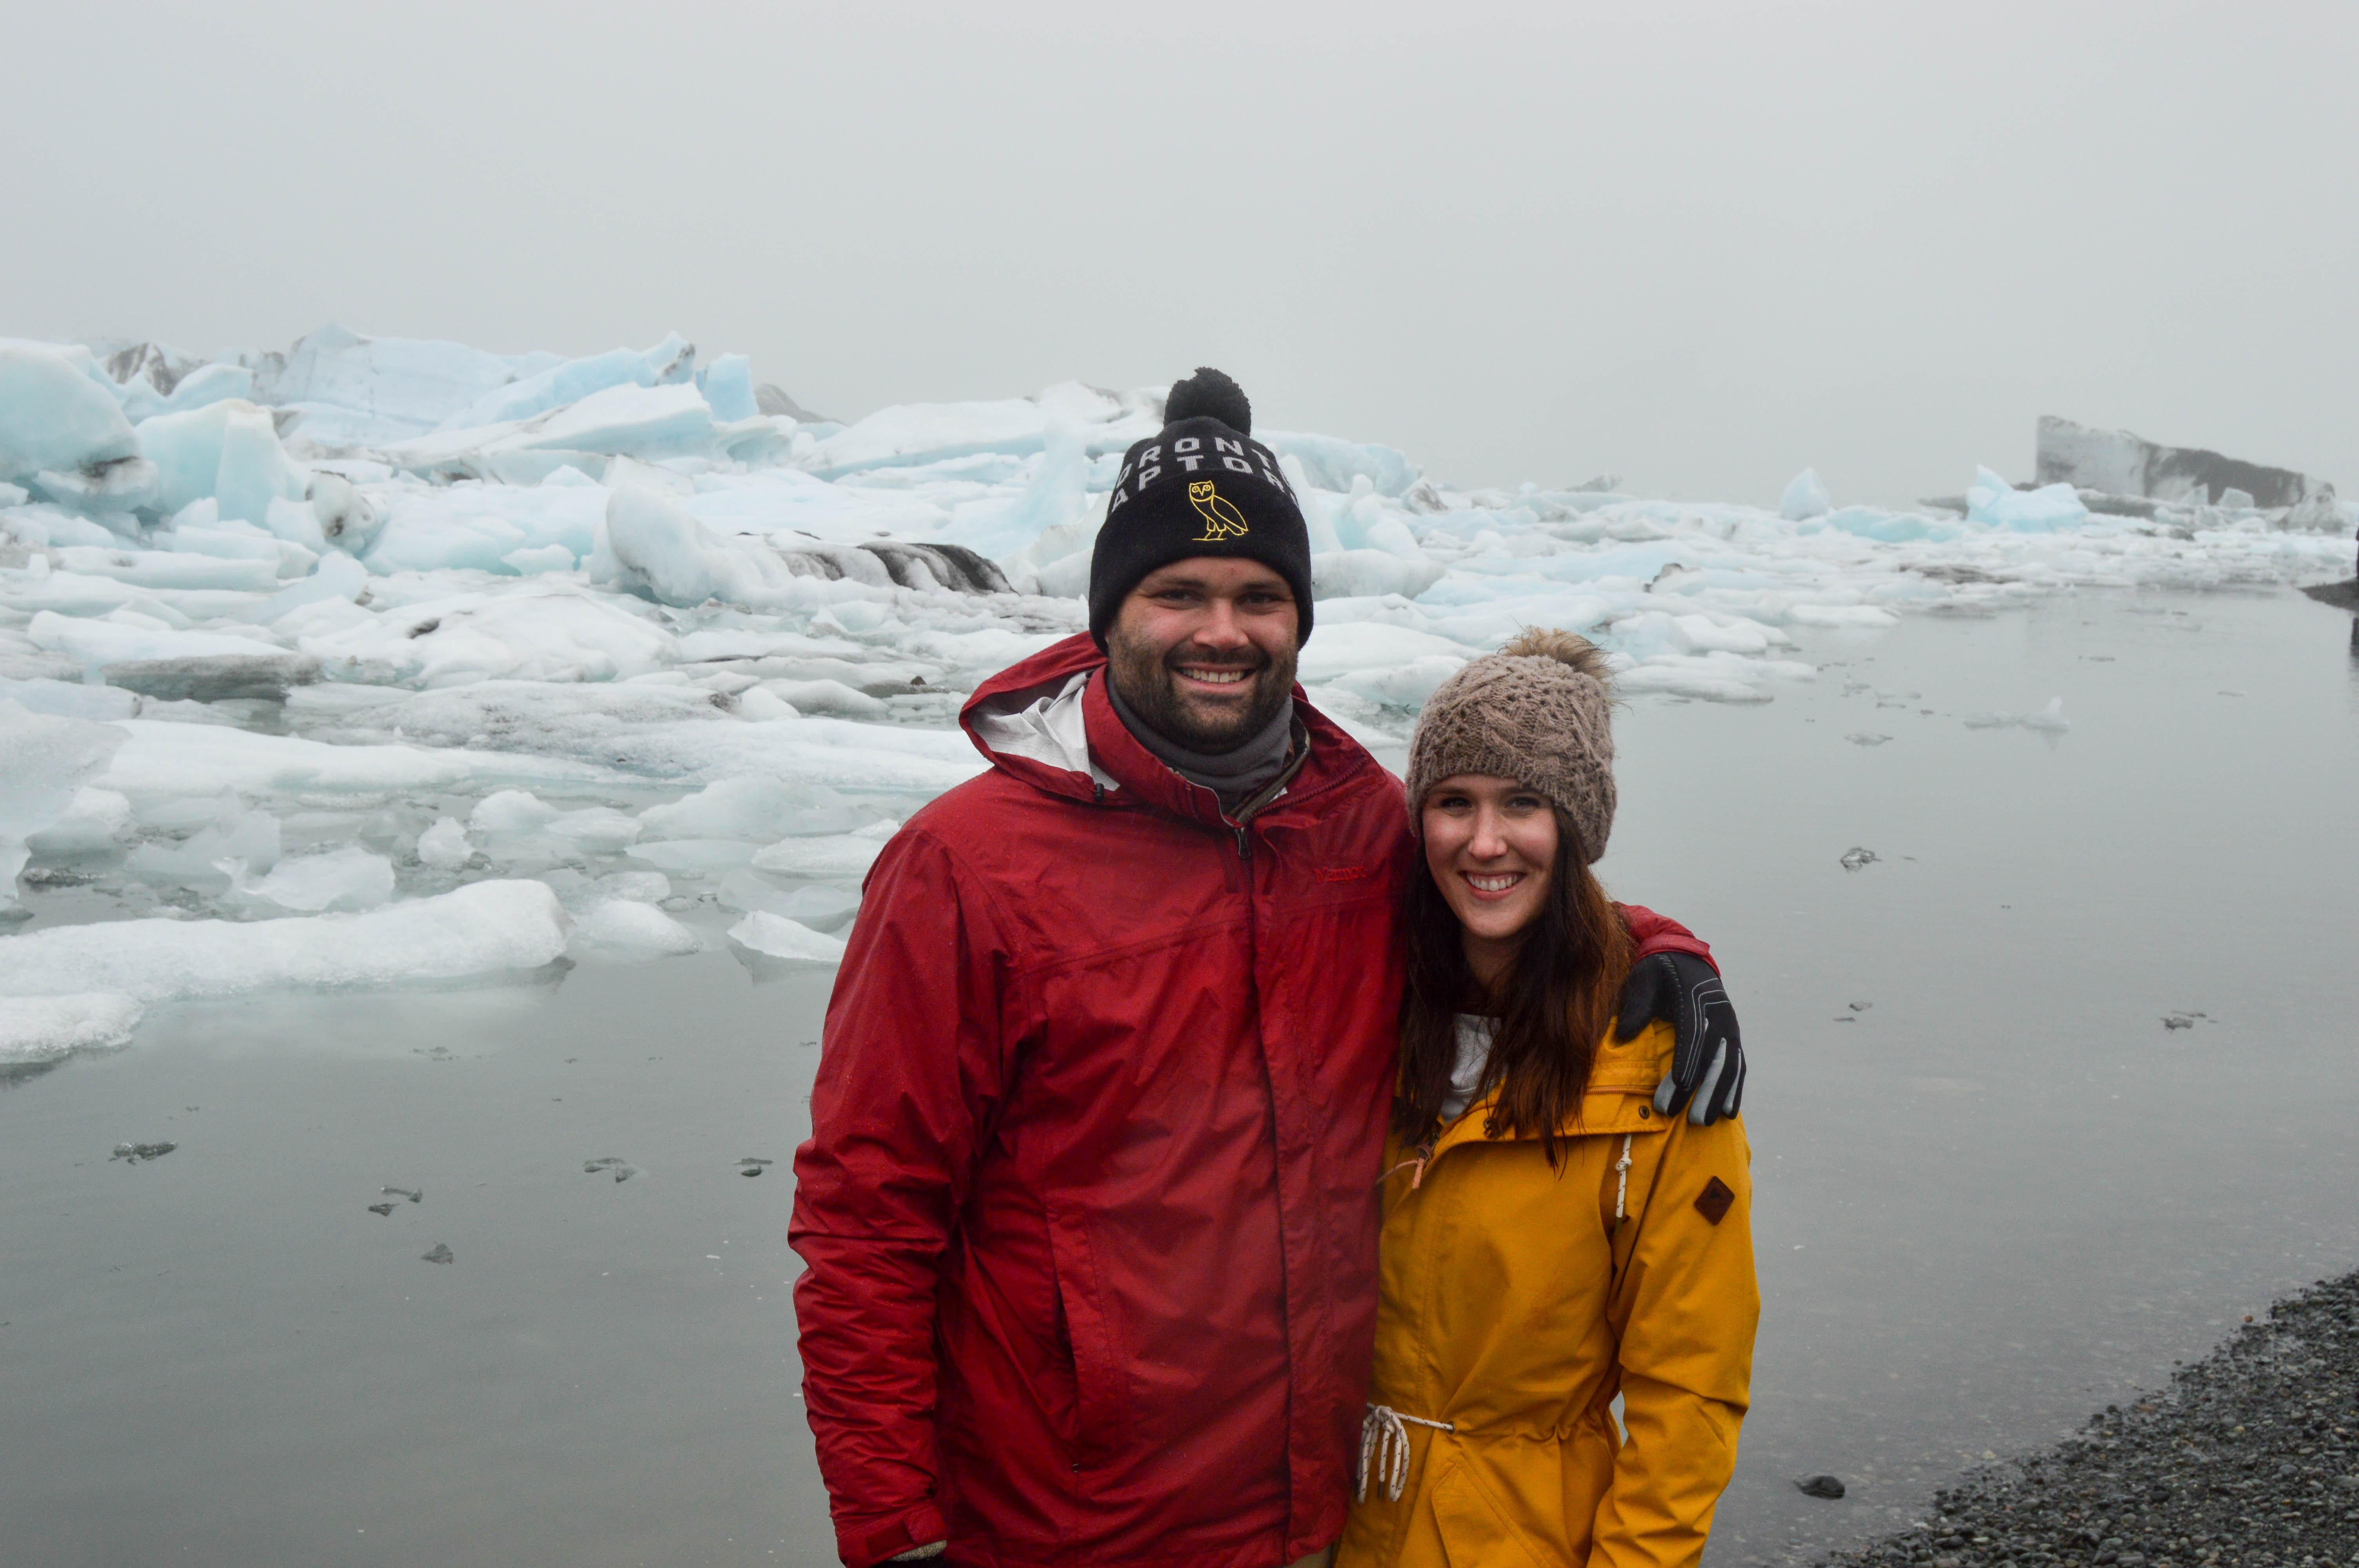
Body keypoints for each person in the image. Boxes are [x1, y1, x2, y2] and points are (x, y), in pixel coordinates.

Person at [790, 370, 1745, 1568]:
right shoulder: (965, 870)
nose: (1221, 631)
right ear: (1109, 613)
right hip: (1066, 1527)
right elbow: (867, 1222)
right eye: (1177, 592)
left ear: (1298, 616)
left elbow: (1504, 891)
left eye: (1257, 596)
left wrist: (1664, 953)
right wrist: (892, 1526)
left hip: (1315, 1515)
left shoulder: (1352, 828)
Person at [1336, 631, 1759, 1568]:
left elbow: (1689, 1381)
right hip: (1332, 1517)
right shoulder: (1360, 1003)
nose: (1484, 842)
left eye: (1522, 802)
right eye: (1453, 803)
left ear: (1574, 825)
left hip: (1524, 1535)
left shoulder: (1658, 1061)